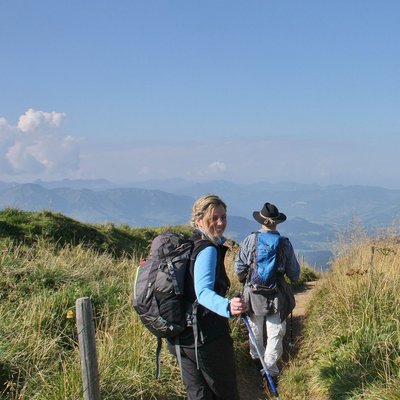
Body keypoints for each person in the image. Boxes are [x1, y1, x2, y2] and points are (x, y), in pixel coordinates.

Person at [167, 194, 247, 400]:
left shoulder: (188, 245)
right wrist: (228, 306)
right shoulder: (207, 249)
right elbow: (202, 293)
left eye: (223, 217)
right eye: (214, 218)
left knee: (198, 395)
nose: (220, 223)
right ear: (198, 219)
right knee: (225, 392)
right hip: (206, 336)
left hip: (181, 336)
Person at [234, 202, 300, 384]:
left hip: (253, 292)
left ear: (261, 220)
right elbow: (294, 274)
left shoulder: (249, 240)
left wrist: (245, 280)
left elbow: (238, 268)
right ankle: (270, 370)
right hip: (277, 294)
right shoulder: (285, 244)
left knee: (255, 330)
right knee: (276, 332)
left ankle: (258, 361)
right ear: (277, 222)